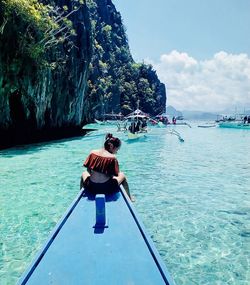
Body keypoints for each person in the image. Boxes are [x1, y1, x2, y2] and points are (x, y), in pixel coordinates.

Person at [80, 133, 133, 201]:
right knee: (122, 175)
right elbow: (113, 176)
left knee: (84, 174)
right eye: (117, 149)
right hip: (107, 189)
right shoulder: (112, 158)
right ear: (111, 146)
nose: (116, 152)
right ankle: (129, 198)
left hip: (91, 187)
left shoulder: (92, 152)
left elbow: (88, 171)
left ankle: (81, 196)